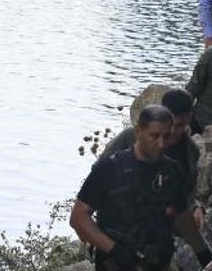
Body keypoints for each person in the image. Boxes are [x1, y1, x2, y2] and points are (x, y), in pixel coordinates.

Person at [70, 105, 198, 271]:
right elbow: (78, 217)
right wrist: (115, 250)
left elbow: (182, 217)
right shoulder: (110, 169)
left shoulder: (172, 171)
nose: (161, 144)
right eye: (154, 136)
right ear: (138, 132)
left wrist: (204, 254)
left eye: (166, 136)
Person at [100, 90, 212, 269]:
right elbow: (99, 176)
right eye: (171, 125)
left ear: (189, 118)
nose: (174, 132)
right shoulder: (129, 138)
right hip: (118, 233)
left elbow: (183, 202)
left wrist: (195, 206)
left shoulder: (190, 154)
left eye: (180, 125)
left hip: (157, 241)